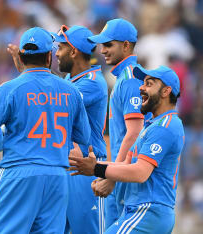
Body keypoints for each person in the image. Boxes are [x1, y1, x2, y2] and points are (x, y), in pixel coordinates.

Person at [0, 27, 91, 233]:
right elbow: (84, 137)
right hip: (57, 176)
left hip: (18, 173)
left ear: (21, 57)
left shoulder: (9, 89)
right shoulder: (71, 90)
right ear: (48, 58)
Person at [69, 66, 184, 234]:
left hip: (148, 211)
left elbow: (140, 173)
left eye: (149, 84)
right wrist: (92, 166)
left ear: (166, 91)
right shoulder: (152, 125)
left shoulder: (164, 127)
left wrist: (96, 168)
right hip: (144, 211)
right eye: (143, 83)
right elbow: (126, 164)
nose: (141, 87)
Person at [88, 18, 147, 229]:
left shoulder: (131, 80)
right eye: (102, 45)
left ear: (126, 45)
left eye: (109, 44)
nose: (102, 50)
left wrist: (110, 175)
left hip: (128, 180)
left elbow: (135, 132)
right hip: (123, 173)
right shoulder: (123, 78)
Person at [54, 25, 108, 234]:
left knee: (88, 230)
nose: (56, 54)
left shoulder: (93, 83)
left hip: (87, 167)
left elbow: (56, 103)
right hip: (68, 164)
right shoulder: (69, 80)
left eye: (60, 48)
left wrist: (29, 75)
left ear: (74, 51)